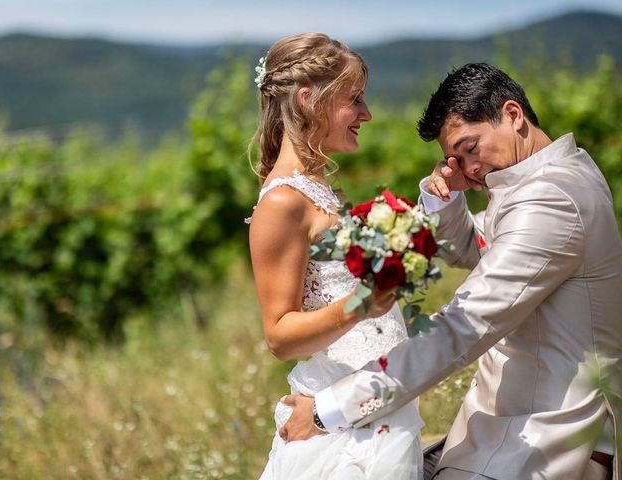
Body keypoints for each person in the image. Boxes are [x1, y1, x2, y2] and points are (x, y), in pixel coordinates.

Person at [281, 63, 622, 480]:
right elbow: (479, 250)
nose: (470, 168)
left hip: (542, 438)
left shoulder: (549, 199)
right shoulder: (560, 173)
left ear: (513, 115)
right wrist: (442, 198)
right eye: (456, 158)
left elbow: (462, 326)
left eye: (471, 147)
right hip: (507, 425)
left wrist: (326, 410)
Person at [247, 33, 424, 479]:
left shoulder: (320, 191)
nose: (366, 114)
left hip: (373, 403)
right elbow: (279, 338)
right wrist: (362, 304)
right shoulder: (283, 201)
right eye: (355, 99)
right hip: (339, 428)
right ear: (309, 100)